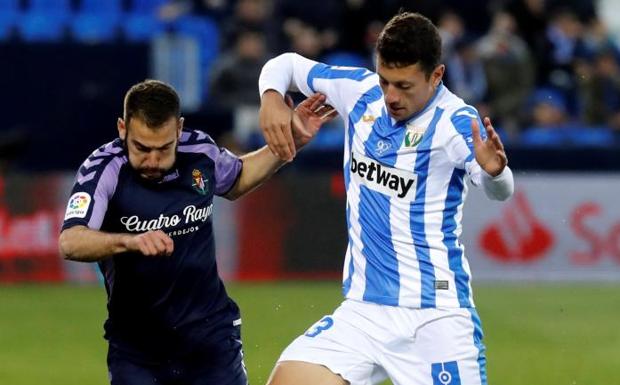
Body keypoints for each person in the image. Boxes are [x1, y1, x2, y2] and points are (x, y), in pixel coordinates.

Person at [258, 12, 514, 385]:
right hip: (363, 312)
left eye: (404, 86)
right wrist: (271, 99)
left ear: (436, 75)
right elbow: (286, 65)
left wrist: (495, 172)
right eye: (385, 81)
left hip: (435, 317)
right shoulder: (360, 92)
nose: (391, 96)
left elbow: (500, 192)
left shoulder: (456, 122)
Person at [58, 79, 334, 385]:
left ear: (179, 129)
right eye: (142, 148)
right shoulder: (103, 169)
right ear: (122, 129)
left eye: (164, 148)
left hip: (211, 336)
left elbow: (237, 179)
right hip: (137, 348)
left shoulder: (200, 150)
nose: (153, 160)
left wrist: (290, 141)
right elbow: (71, 241)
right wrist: (129, 240)